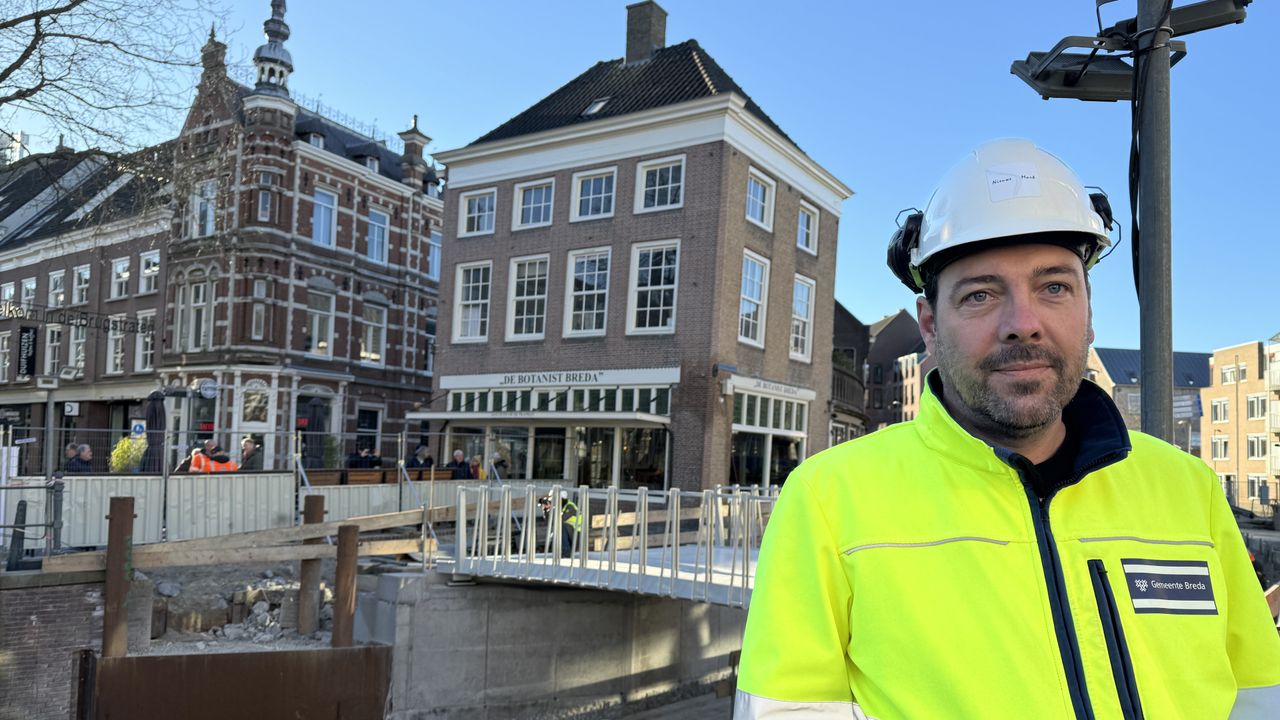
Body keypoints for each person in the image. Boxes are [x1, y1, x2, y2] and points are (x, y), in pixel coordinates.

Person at [736, 139, 1280, 719]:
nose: (1023, 324)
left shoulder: (1187, 489)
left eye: (1053, 288)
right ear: (930, 325)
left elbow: (1257, 698)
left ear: (1088, 311)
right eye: (980, 294)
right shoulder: (829, 501)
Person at [538, 492, 580, 558]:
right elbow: (550, 521)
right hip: (570, 534)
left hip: (578, 535)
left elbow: (561, 520)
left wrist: (552, 509)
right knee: (556, 530)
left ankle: (566, 552)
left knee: (561, 527)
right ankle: (559, 551)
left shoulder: (570, 507)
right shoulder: (562, 508)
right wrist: (546, 510)